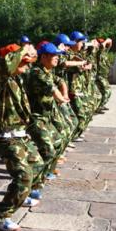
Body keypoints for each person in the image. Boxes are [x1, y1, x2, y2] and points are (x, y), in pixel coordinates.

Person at [0, 43, 45, 231]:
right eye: (24, 63)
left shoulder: (17, 78)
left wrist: (30, 53)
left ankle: (22, 194)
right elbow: (4, 65)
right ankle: (0, 217)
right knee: (23, 176)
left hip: (21, 133)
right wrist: (21, 51)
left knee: (37, 165)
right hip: (6, 135)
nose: (27, 66)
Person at [26, 42, 66, 181]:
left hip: (45, 116)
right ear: (43, 57)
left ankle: (47, 171)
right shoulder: (36, 72)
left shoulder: (47, 71)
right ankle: (33, 181)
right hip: (35, 117)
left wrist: (64, 94)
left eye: (57, 55)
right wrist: (62, 99)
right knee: (48, 150)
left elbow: (59, 81)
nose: (57, 58)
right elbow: (51, 88)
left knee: (59, 142)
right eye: (54, 55)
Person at [95, 37, 113, 111]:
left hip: (104, 75)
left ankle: (101, 105)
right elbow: (102, 45)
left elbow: (110, 41)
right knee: (107, 91)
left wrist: (106, 42)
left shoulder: (104, 52)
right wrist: (103, 43)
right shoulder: (97, 52)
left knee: (103, 91)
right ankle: (99, 106)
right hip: (99, 75)